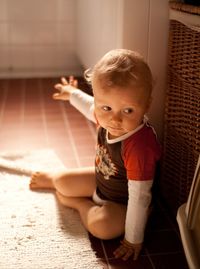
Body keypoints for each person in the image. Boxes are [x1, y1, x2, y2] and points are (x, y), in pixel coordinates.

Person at [29, 49, 161, 261]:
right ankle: (56, 181)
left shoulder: (139, 147)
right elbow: (90, 105)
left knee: (102, 228)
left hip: (122, 203)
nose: (115, 120)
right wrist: (71, 93)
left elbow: (139, 196)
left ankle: (81, 205)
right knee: (63, 181)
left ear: (146, 105)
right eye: (107, 107)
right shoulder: (105, 116)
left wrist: (133, 238)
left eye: (128, 111)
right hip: (101, 181)